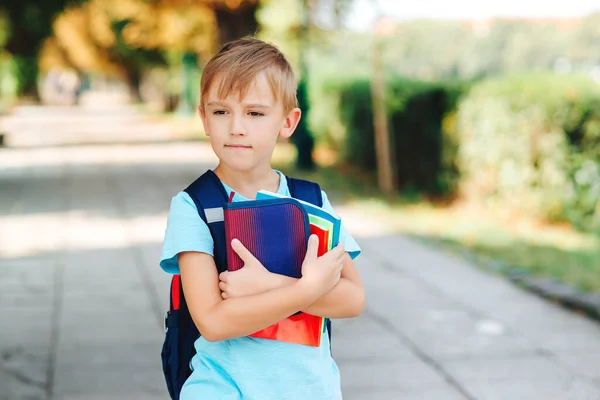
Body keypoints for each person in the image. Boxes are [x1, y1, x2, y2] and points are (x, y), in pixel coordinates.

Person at [160, 36, 365, 400]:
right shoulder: (194, 206)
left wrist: (269, 284)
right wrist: (304, 289)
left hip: (309, 390)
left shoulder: (311, 201)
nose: (237, 126)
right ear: (204, 117)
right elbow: (213, 321)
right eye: (221, 111)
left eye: (255, 113)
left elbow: (352, 299)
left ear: (287, 122)